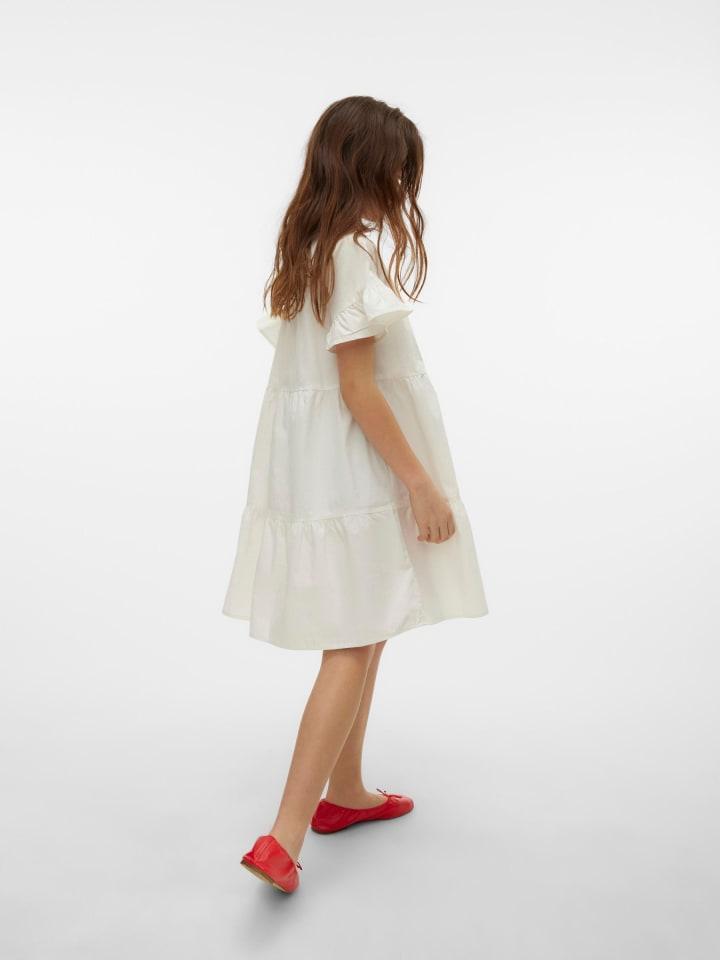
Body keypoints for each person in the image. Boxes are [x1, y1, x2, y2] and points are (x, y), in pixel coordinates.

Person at [222, 95, 488, 893]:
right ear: (368, 170)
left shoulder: (310, 247)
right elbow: (359, 389)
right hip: (358, 475)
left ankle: (346, 792)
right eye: (397, 173)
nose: (402, 188)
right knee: (352, 640)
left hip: (325, 473)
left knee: (367, 628)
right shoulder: (350, 254)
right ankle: (284, 835)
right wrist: (422, 485)